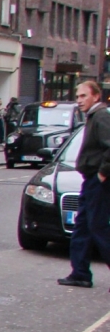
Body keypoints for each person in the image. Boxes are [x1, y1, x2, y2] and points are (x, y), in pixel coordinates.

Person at [59, 81, 110, 288]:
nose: (79, 100)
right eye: (77, 96)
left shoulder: (102, 116)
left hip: (98, 181)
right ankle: (80, 272)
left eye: (83, 96)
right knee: (82, 229)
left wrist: (103, 174)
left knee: (98, 228)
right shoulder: (93, 116)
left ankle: (80, 272)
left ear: (96, 96)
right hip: (90, 181)